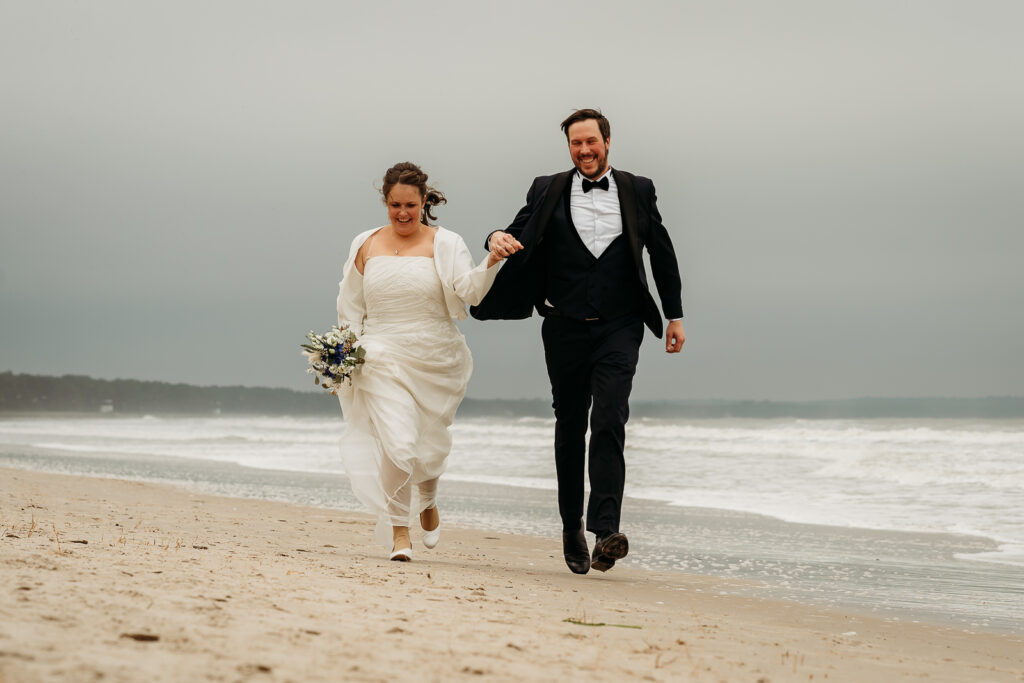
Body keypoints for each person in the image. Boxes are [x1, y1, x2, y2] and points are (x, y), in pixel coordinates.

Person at [472, 109, 685, 574]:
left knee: (610, 415)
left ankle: (606, 530)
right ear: (568, 147)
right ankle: (571, 525)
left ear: (607, 141)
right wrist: (493, 237)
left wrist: (674, 315)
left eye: (591, 142)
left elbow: (661, 250)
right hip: (563, 325)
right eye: (576, 144)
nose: (584, 151)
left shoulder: (638, 189)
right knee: (571, 425)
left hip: (621, 325)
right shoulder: (546, 187)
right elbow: (516, 229)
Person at [336, 162, 508, 561]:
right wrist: (344, 351)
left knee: (428, 445)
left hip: (435, 356)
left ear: (424, 201)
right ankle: (400, 534)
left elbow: (470, 291)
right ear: (385, 201)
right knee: (397, 443)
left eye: (410, 205)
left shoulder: (446, 242)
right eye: (394, 205)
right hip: (380, 354)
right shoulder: (365, 243)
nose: (402, 213)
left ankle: (428, 497)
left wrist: (492, 262)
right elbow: (350, 305)